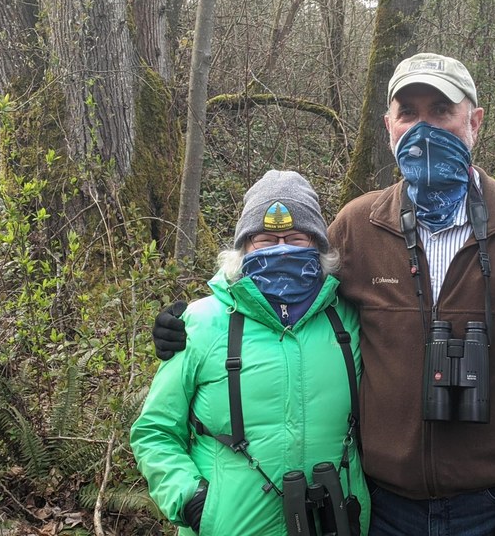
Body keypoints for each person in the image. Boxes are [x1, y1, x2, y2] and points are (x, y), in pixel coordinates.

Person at [153, 53, 495, 536]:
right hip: (380, 506)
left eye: (441, 110)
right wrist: (192, 321)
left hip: (494, 503)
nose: (423, 128)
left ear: (474, 121)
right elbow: (283, 299)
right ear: (389, 126)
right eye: (408, 113)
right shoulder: (358, 228)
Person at [132, 170, 370, 536]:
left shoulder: (349, 321)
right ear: (243, 248)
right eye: (264, 239)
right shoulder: (201, 323)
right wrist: (193, 502)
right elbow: (155, 431)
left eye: (296, 238)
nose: (281, 248)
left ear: (319, 246)